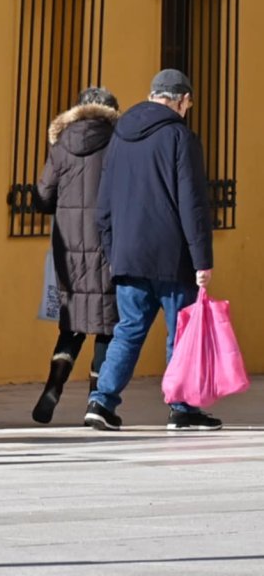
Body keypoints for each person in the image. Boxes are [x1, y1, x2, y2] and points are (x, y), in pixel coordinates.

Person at [87, 69, 219, 431]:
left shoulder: (119, 136)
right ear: (183, 100)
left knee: (128, 330)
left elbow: (104, 203)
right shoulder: (181, 137)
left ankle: (101, 402)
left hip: (128, 256)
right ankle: (182, 407)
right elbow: (192, 203)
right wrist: (202, 261)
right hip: (172, 257)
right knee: (182, 334)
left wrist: (114, 251)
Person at [27, 87, 120, 424]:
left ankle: (53, 387)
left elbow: (42, 198)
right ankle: (96, 401)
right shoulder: (119, 143)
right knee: (106, 327)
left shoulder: (61, 144)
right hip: (109, 246)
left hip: (68, 250)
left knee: (73, 326)